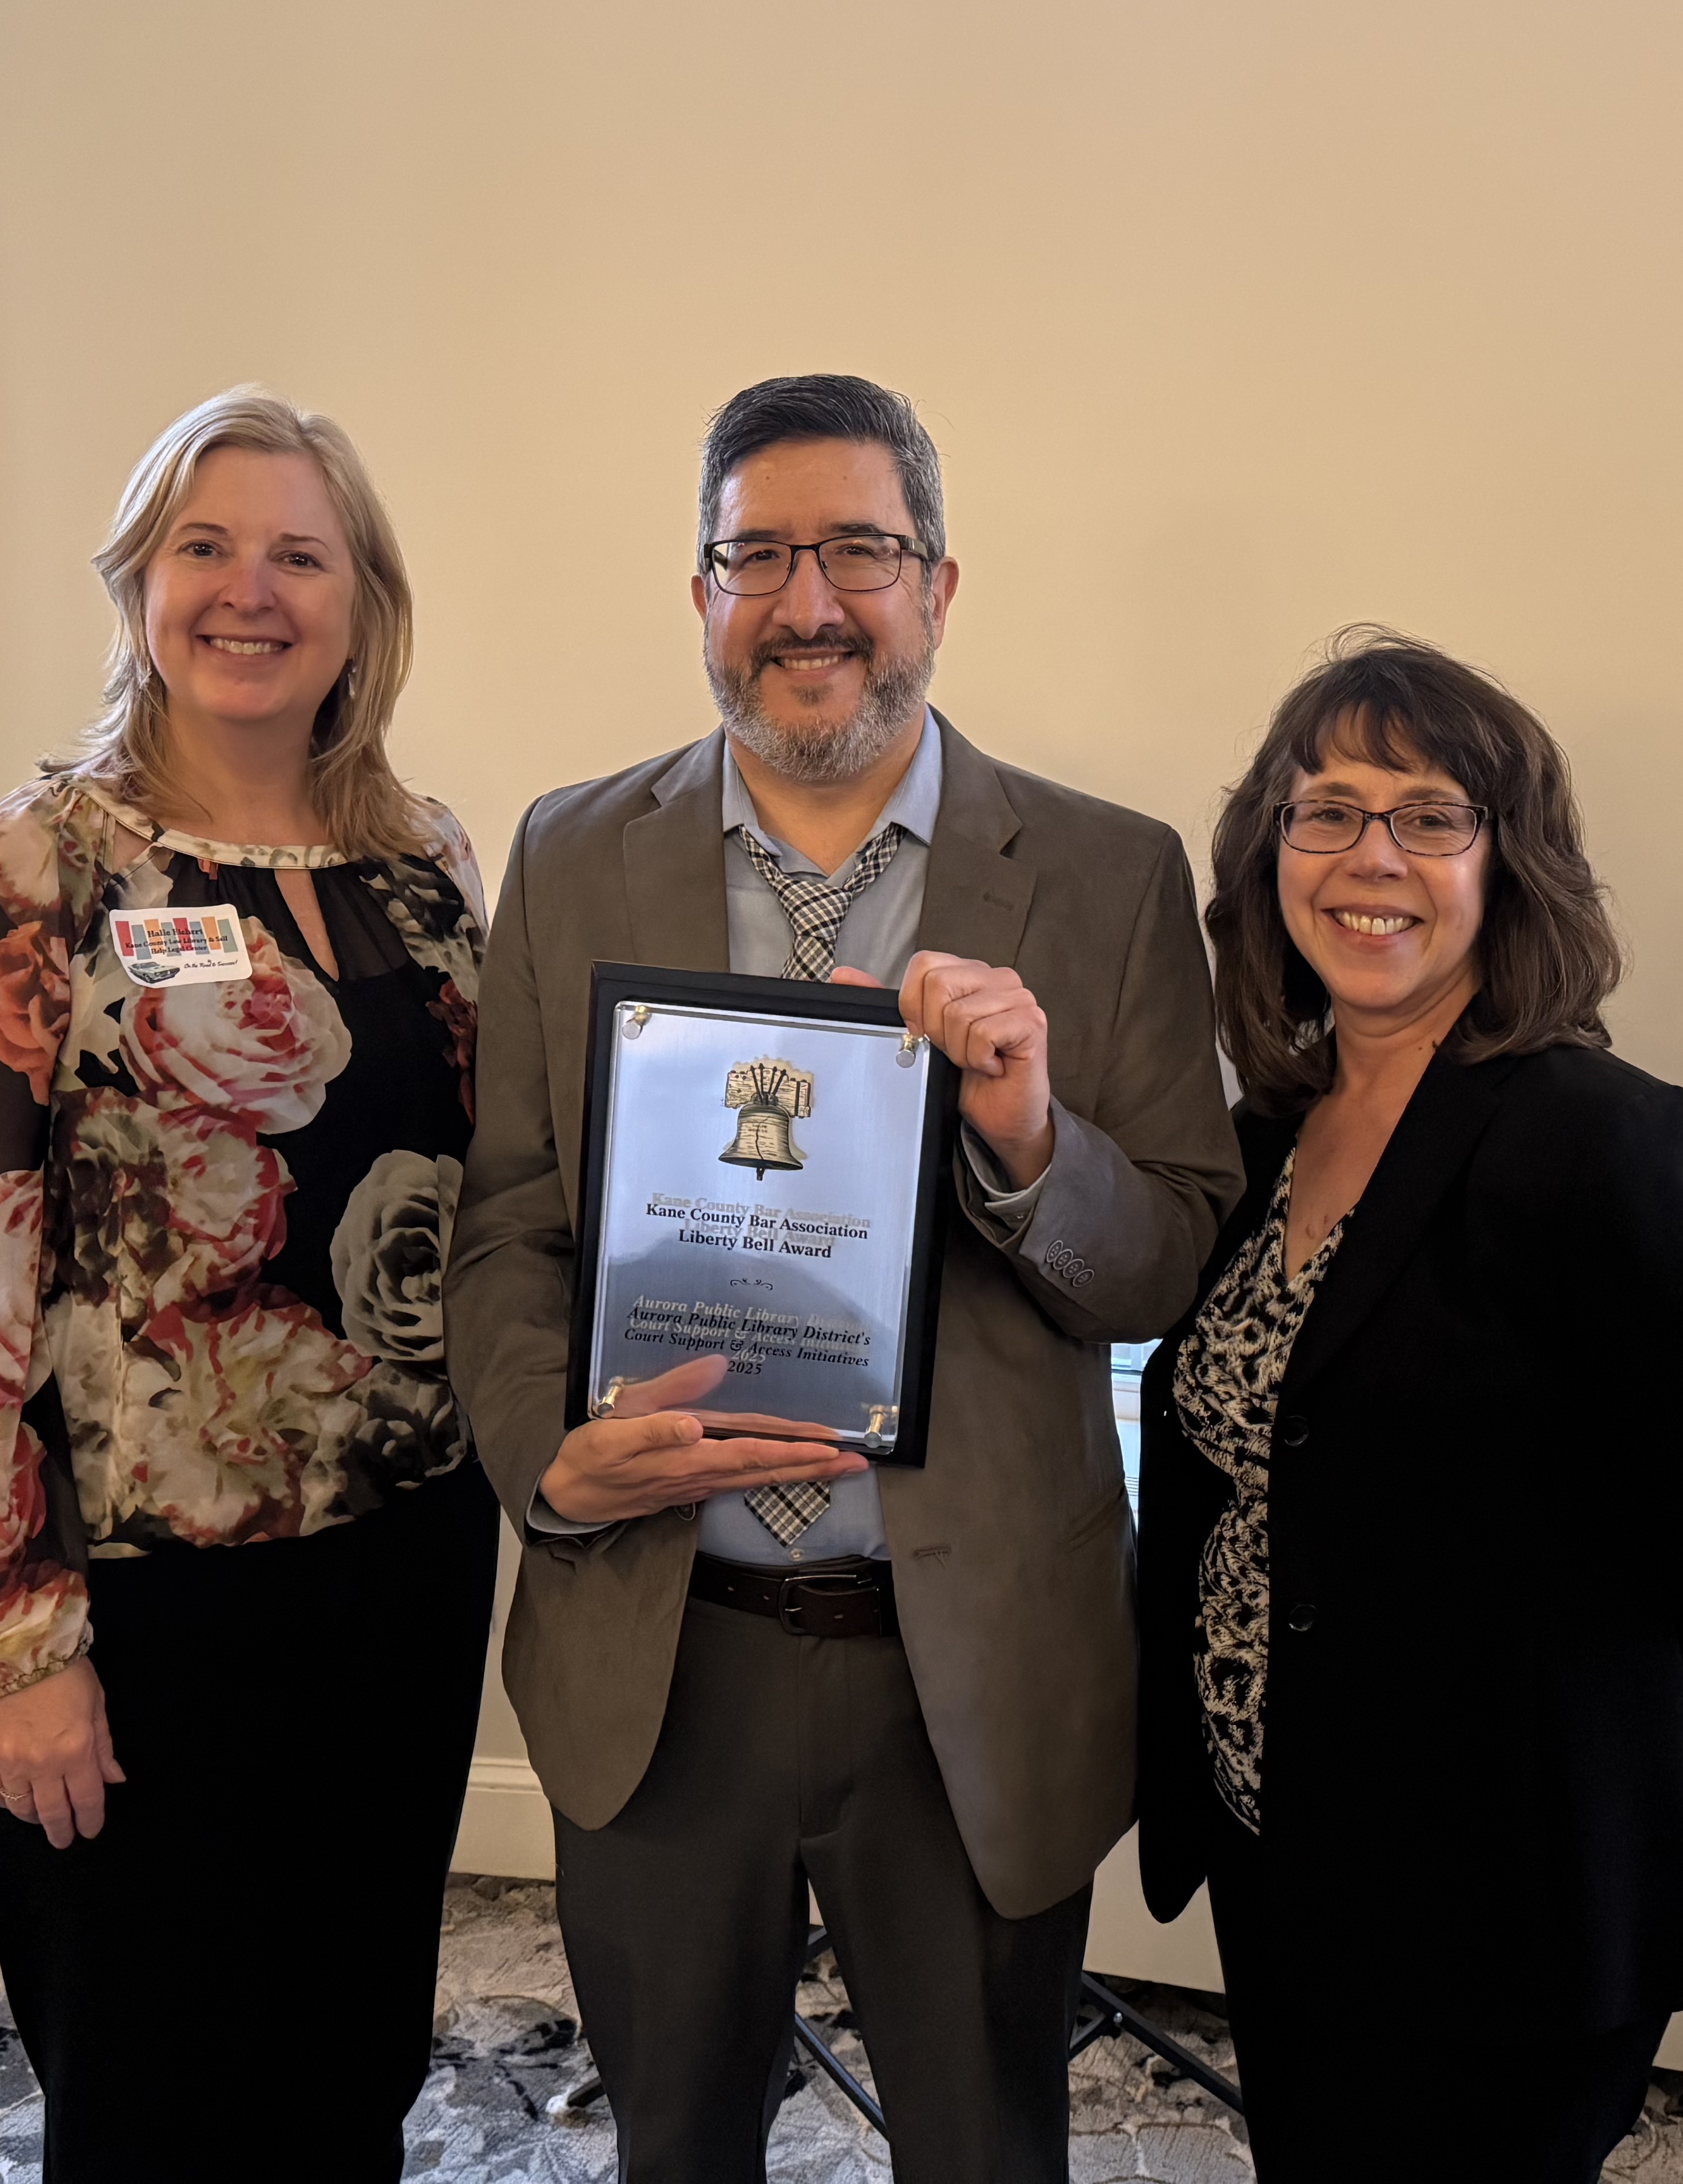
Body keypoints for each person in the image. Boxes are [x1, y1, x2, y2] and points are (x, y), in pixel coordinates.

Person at [446, 374, 1242, 2183]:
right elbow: (508, 1224)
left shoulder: (1110, 878)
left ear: (941, 586)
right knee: (679, 2154)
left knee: (984, 2153)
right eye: (760, 556)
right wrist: (548, 1461)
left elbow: (1172, 1252)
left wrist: (1032, 1131)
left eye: (860, 551)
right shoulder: (575, 854)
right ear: (704, 591)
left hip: (962, 1667)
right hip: (666, 1651)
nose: (810, 602)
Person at [0, 385, 497, 2182]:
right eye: (204, 546)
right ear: (139, 581)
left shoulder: (427, 868)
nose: (250, 589)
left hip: (402, 1577)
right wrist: (6, 1651)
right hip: (139, 1619)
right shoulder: (37, 868)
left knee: (348, 2066)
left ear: (362, 601)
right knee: (155, 2097)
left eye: (301, 551)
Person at [1136, 628, 1683, 2183]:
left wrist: (1547, 1709)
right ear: (1270, 855)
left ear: (1506, 866)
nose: (1369, 857)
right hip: (1283, 1853)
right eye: (1326, 811)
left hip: (1505, 1886)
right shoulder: (1263, 1146)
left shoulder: (1610, 1147)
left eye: (1429, 816)